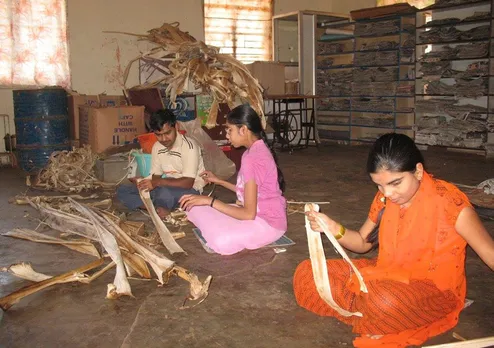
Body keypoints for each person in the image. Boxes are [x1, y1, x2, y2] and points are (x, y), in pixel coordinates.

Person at [293, 133, 494, 348]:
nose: (388, 193)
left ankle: (377, 312)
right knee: (308, 273)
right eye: (379, 185)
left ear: (418, 171)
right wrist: (332, 228)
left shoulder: (450, 204)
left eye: (395, 183)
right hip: (386, 273)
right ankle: (378, 315)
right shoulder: (384, 199)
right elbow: (362, 243)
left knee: (384, 301)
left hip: (434, 290)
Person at [179, 104, 287, 255]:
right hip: (253, 213)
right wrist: (219, 181)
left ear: (243, 129)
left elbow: (248, 214)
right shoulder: (252, 151)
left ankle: (226, 229)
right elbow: (248, 192)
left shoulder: (254, 158)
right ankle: (225, 226)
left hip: (268, 223)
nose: (227, 135)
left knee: (221, 241)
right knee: (194, 208)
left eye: (230, 130)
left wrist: (209, 201)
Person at [117, 109, 206, 218]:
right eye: (158, 135)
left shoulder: (189, 146)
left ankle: (159, 206)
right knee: (123, 190)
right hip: (166, 185)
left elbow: (188, 182)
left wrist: (156, 183)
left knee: (163, 194)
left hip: (190, 190)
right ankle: (157, 209)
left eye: (167, 133)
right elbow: (156, 176)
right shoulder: (157, 147)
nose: (164, 139)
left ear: (176, 127)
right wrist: (143, 182)